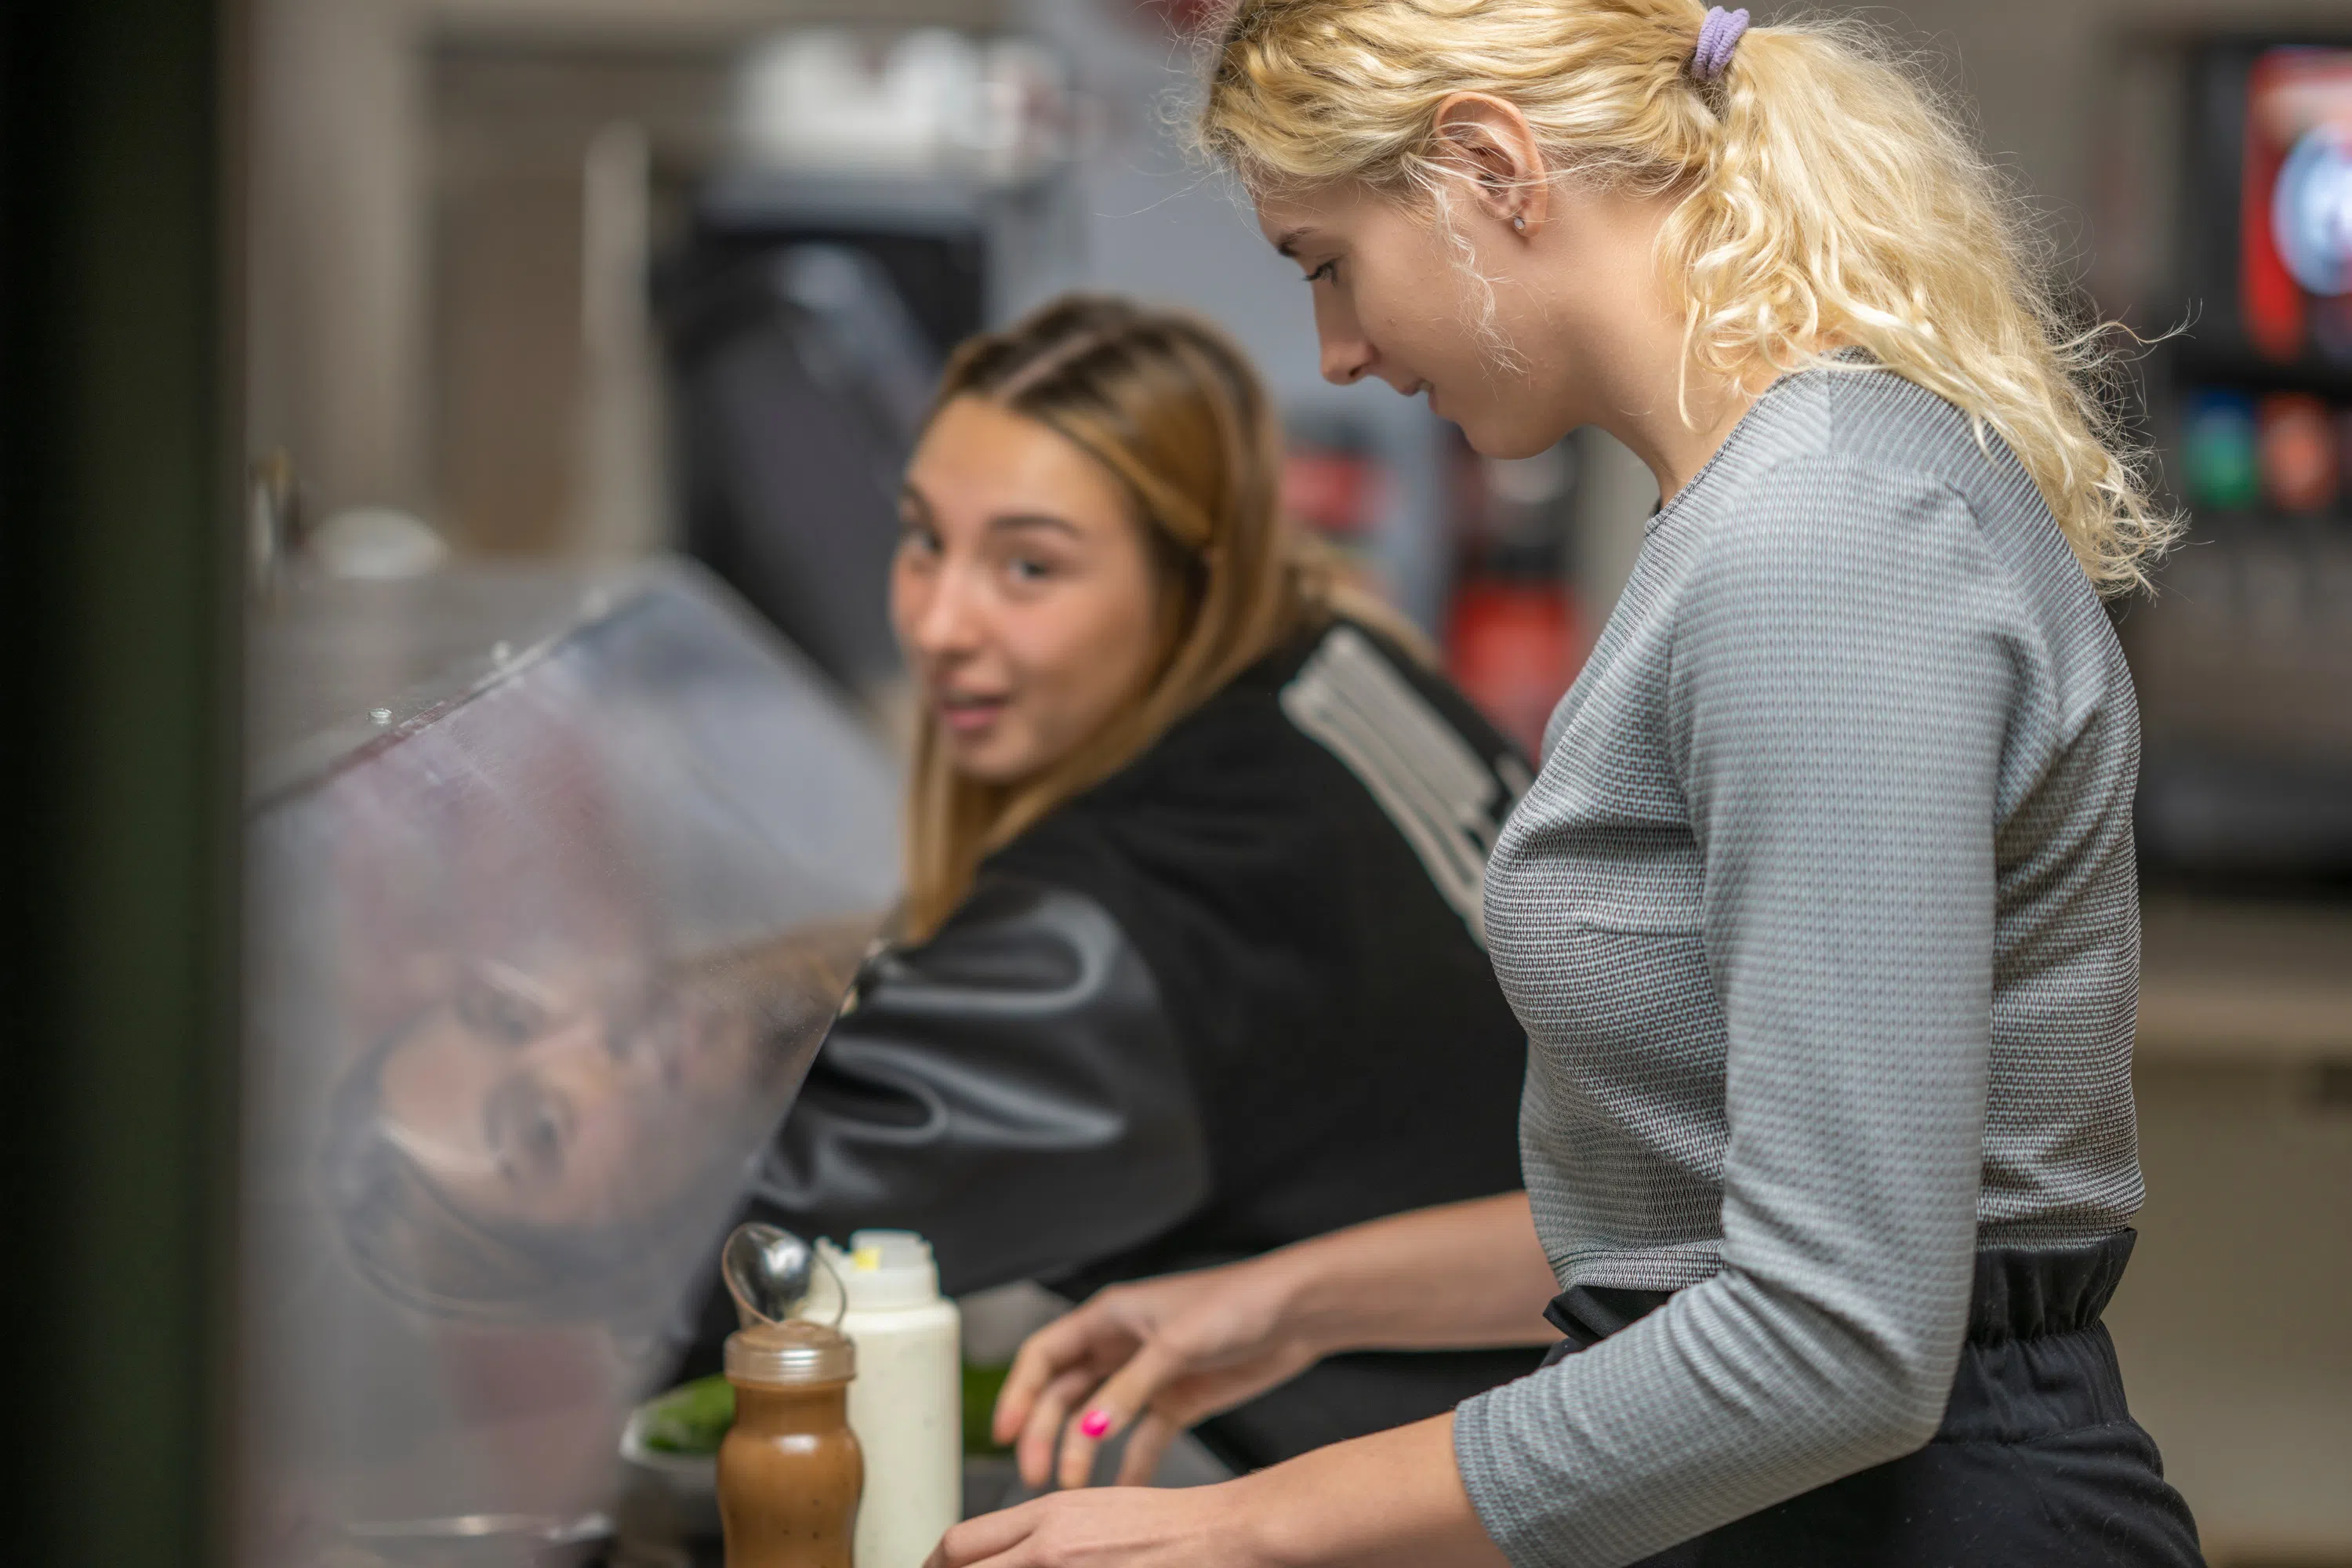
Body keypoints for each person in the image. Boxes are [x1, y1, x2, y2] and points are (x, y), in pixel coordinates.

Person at [934, 3, 2206, 1566]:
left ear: (1489, 167)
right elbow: (1697, 1211)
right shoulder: (1763, 504)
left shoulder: (1820, 541)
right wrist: (1281, 1303)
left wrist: (1245, 1525)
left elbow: (1835, 1337)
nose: (1338, 350)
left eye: (1327, 261)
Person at [675, 293, 1544, 1472]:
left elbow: (723, 1265)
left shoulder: (1152, 906)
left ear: (1189, 581)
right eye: (924, 537)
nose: (939, 621)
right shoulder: (1329, 655)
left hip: (1482, 1490)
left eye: (1029, 566)